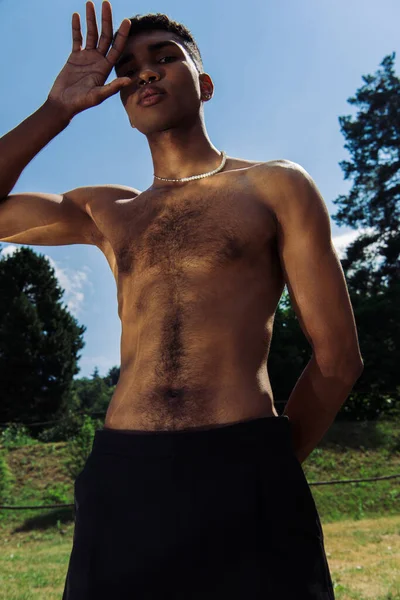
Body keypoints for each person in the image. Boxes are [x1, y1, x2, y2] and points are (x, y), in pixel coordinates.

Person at [0, 1, 364, 598]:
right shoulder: (106, 211)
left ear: (206, 83)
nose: (146, 72)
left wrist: (267, 465)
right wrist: (57, 109)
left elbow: (338, 360)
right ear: (119, 99)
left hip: (245, 467)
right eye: (132, 67)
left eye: (166, 58)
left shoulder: (275, 186)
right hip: (123, 477)